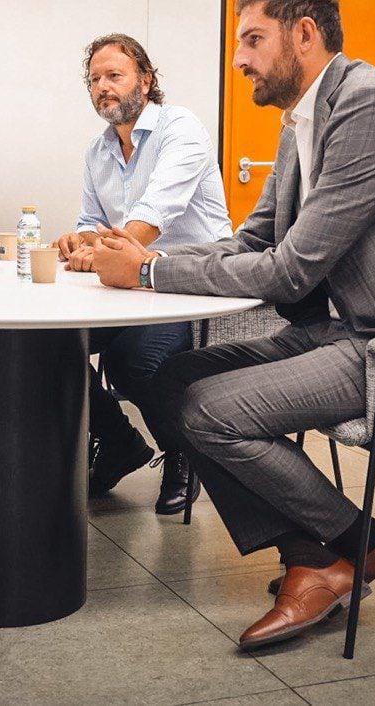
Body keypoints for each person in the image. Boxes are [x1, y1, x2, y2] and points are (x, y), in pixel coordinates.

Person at [90, 0, 375, 649]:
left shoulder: (370, 108)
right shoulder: (301, 121)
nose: (239, 59)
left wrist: (152, 268)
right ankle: (316, 552)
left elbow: (291, 269)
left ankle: (354, 545)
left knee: (209, 412)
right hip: (351, 329)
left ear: (305, 34)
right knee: (171, 379)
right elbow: (255, 241)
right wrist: (137, 266)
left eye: (253, 39)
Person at [54, 34, 232, 514]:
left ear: (146, 80)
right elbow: (91, 220)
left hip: (186, 281)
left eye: (114, 75)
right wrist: (79, 240)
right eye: (94, 80)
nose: (102, 88)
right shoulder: (99, 150)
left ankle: (182, 453)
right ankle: (118, 441)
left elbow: (153, 219)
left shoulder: (181, 128)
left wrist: (101, 249)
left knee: (134, 361)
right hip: (125, 287)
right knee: (47, 343)